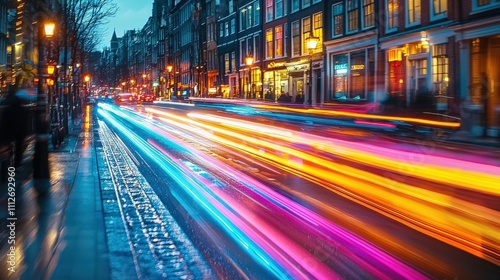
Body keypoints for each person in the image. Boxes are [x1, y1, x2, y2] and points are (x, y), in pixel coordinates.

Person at [0, 81, 29, 167]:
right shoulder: (18, 101)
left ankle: (8, 164)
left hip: (7, 128)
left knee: (8, 146)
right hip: (18, 128)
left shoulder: (5, 101)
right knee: (18, 146)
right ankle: (15, 165)